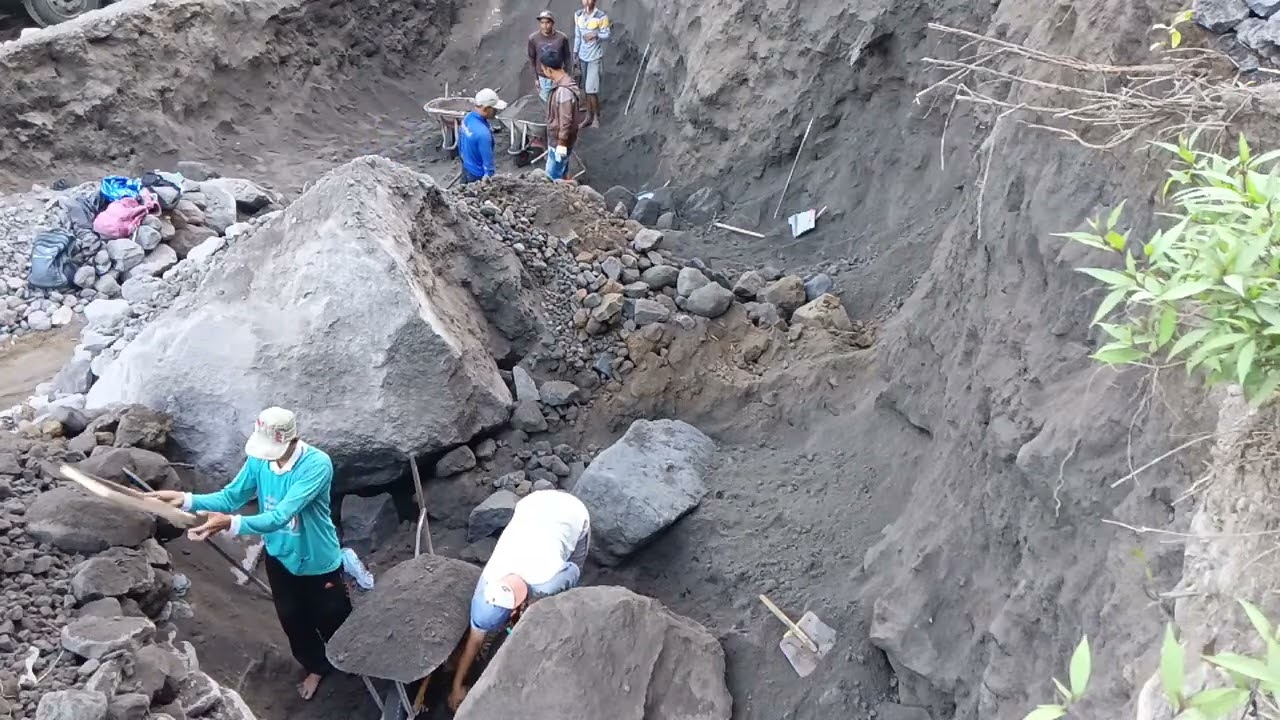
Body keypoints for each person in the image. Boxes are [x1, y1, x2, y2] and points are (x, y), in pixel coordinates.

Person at [147, 407, 349, 702]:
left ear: (293, 440)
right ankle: (317, 666)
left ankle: (347, 659)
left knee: (333, 615)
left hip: (318, 561)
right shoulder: (260, 460)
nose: (266, 455)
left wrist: (231, 522)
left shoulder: (317, 465)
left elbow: (280, 515)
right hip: (279, 555)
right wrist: (185, 499)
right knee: (293, 620)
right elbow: (231, 496)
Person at [447, 490, 591, 711]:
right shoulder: (488, 584)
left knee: (568, 583)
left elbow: (571, 570)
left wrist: (531, 611)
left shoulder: (547, 580)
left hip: (572, 513)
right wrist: (456, 686)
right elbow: (474, 641)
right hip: (532, 504)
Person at [539, 48, 583, 182]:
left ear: (549, 70)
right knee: (562, 171)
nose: (544, 73)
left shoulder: (563, 91)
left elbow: (566, 120)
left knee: (552, 178)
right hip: (560, 139)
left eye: (544, 70)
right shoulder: (563, 84)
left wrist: (561, 144)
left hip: (559, 141)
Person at [573, 0, 611, 127]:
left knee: (591, 89)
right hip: (583, 56)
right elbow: (577, 35)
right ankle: (588, 116)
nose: (587, 2)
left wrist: (595, 34)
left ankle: (596, 117)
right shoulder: (578, 15)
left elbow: (607, 34)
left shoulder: (601, 16)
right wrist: (575, 53)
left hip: (595, 57)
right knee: (586, 88)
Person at [458, 88, 508, 184]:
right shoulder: (483, 134)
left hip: (467, 166)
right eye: (494, 109)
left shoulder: (467, 118)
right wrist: (488, 181)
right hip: (477, 175)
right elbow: (488, 166)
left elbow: (460, 144)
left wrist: (464, 161)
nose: (496, 111)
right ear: (486, 109)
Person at [528, 10, 571, 104]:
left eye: (547, 22)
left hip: (558, 75)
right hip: (543, 76)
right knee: (547, 102)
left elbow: (567, 57)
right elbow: (532, 58)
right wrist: (536, 78)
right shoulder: (533, 38)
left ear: (552, 23)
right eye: (542, 23)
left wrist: (567, 74)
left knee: (561, 101)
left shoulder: (561, 38)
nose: (545, 26)